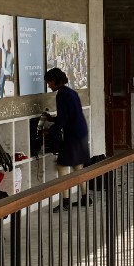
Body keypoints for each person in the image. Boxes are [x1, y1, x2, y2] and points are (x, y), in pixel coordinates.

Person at [43, 67, 90, 212]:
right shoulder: (71, 92)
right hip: (81, 132)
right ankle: (85, 198)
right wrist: (53, 119)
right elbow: (69, 115)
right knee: (78, 166)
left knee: (62, 166)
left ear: (55, 81)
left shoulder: (61, 95)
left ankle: (65, 201)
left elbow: (63, 120)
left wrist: (49, 131)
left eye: (49, 82)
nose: (49, 85)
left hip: (72, 136)